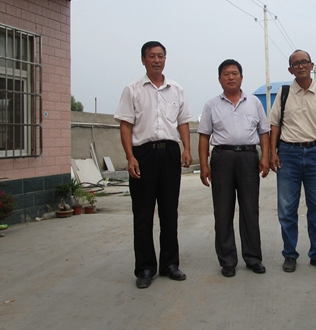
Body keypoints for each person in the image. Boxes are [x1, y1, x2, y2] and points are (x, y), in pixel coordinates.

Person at [114, 41, 193, 289]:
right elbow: (125, 125)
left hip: (169, 153)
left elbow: (183, 122)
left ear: (165, 59)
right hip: (143, 155)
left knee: (169, 211)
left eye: (160, 56)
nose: (156, 60)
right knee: (143, 213)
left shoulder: (176, 89)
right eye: (151, 56)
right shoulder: (132, 90)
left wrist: (186, 148)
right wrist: (130, 157)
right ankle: (145, 268)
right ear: (143, 60)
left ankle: (170, 264)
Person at [198, 59, 271, 278]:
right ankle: (228, 261)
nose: (231, 77)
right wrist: (204, 165)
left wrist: (265, 157)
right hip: (222, 158)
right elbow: (204, 136)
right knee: (223, 211)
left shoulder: (254, 102)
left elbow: (264, 131)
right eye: (226, 74)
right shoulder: (211, 105)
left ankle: (253, 258)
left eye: (235, 73)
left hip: (248, 157)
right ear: (219, 78)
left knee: (250, 209)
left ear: (241, 77)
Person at [269, 49, 316, 273]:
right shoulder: (284, 93)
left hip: (315, 155)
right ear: (290, 69)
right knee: (287, 209)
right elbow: (274, 125)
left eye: (304, 62)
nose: (300, 66)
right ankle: (290, 254)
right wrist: (272, 152)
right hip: (288, 155)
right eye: (295, 63)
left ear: (311, 65)